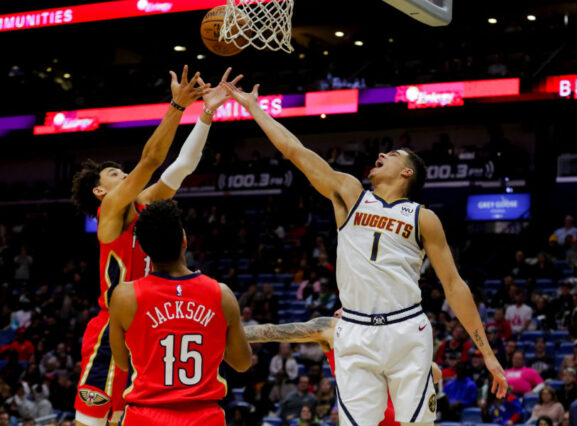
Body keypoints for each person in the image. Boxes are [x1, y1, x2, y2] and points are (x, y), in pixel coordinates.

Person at [223, 76, 507, 426]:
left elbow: (454, 286)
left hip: (407, 328)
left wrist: (488, 355)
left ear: (406, 172)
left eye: (391, 155)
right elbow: (295, 151)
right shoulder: (350, 193)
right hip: (354, 329)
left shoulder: (424, 217)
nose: (380, 155)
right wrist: (253, 108)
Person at [70, 67, 242, 426]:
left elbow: (181, 166)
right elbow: (150, 161)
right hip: (111, 328)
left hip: (146, 324)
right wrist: (177, 106)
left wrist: (207, 114)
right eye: (115, 175)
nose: (126, 176)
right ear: (100, 192)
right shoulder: (110, 211)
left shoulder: (142, 205)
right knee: (93, 423)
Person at [108, 200, 252, 425]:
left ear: (145, 250)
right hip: (204, 417)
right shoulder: (221, 294)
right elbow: (242, 363)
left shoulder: (124, 297)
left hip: (145, 416)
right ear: (184, 241)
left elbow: (123, 363)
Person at [243, 316, 443, 426]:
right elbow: (272, 331)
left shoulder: (380, 331)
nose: (338, 314)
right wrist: (233, 333)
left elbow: (435, 373)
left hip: (392, 416)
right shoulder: (334, 328)